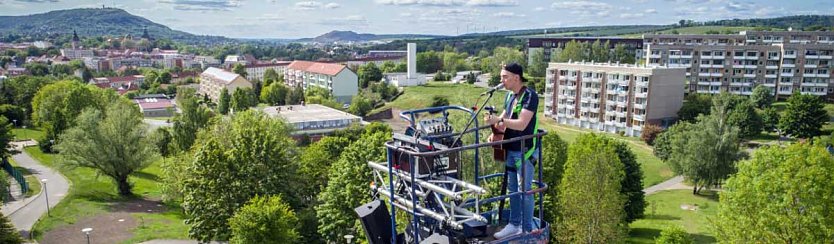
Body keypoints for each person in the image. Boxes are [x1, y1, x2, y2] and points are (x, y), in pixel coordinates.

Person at [484, 62, 540, 239]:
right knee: (513, 189)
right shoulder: (509, 96)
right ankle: (514, 224)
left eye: (504, 77)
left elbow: (522, 124)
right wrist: (495, 131)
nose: (501, 80)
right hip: (511, 147)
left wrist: (500, 121)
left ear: (516, 77)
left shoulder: (530, 96)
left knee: (525, 190)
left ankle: (526, 228)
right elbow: (504, 118)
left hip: (525, 150)